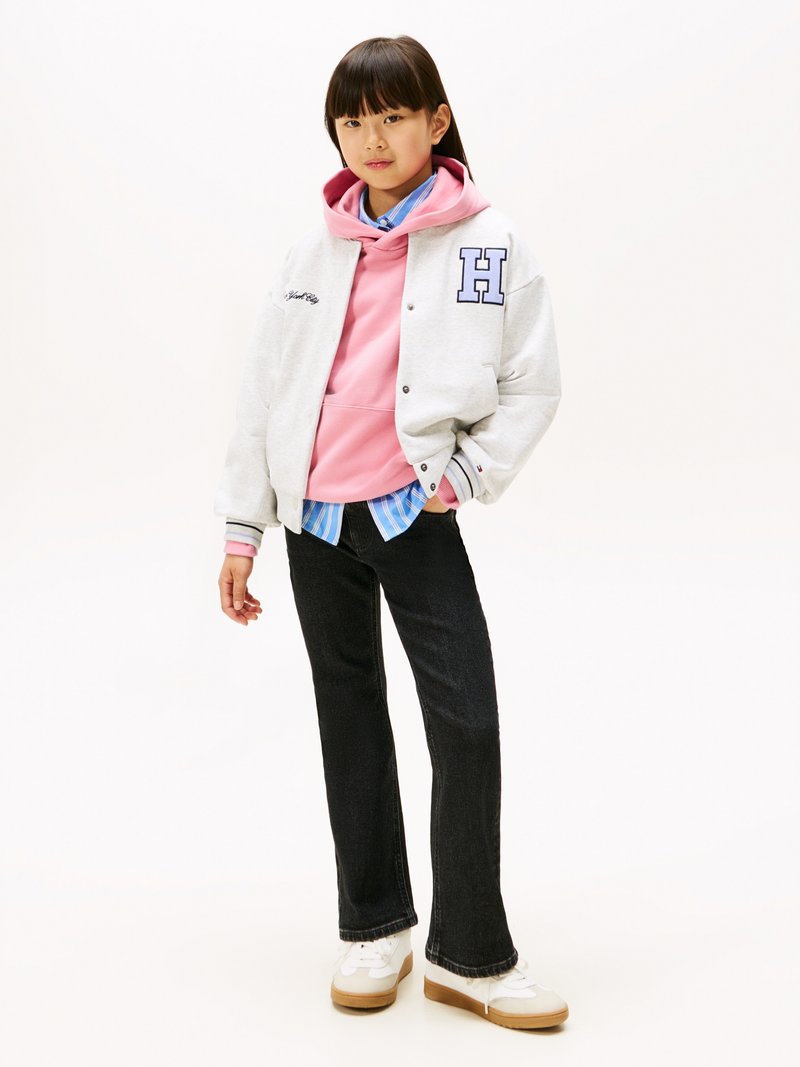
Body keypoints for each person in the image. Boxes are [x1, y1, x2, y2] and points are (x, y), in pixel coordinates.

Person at [214, 34, 568, 1030]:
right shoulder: (310, 251)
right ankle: (374, 926)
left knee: (466, 722)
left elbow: (530, 383)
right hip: (313, 521)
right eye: (353, 120)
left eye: (393, 116)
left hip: (412, 512)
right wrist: (243, 528)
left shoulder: (487, 243)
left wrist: (464, 476)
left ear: (435, 121)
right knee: (350, 718)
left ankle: (471, 953)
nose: (372, 138)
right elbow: (262, 395)